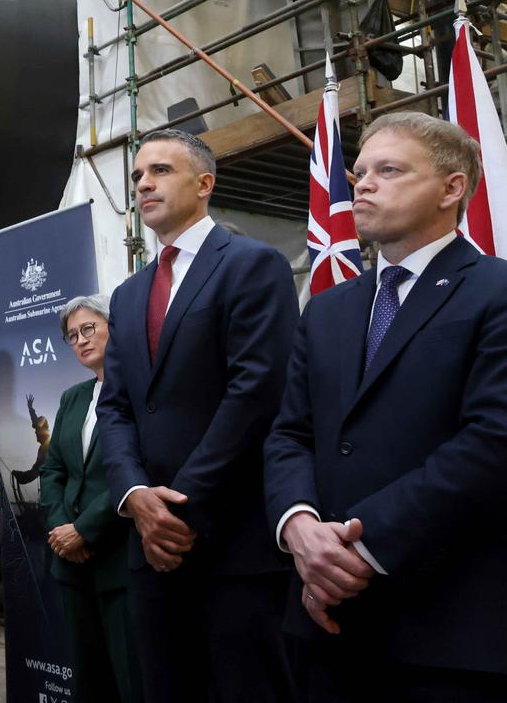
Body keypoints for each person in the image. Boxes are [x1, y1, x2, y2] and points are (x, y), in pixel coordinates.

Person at [264, 111, 507, 701]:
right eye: (359, 173)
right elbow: (290, 435)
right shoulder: (327, 310)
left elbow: (500, 447)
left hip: (463, 636)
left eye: (389, 170)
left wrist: (355, 548)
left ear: (452, 188)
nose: (362, 185)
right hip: (330, 633)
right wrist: (300, 529)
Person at [97, 128, 300, 702]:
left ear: (204, 184)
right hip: (148, 548)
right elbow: (116, 407)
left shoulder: (252, 265)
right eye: (138, 175)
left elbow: (256, 393)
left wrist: (179, 507)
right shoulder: (129, 294)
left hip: (231, 543)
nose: (143, 184)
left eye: (160, 171)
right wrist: (135, 496)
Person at [39, 294, 140, 703]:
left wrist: (84, 529)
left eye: (88, 328)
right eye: (71, 336)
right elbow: (53, 470)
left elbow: (134, 470)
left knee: (129, 680)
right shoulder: (72, 398)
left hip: (119, 559)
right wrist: (62, 529)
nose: (80, 340)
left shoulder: (138, 391)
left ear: (112, 327)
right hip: (73, 566)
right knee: (88, 683)